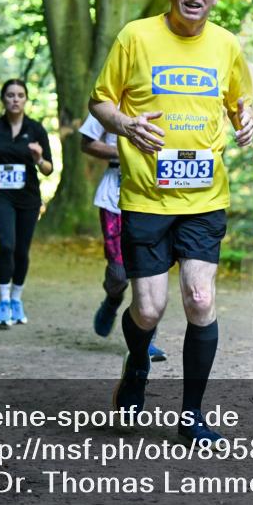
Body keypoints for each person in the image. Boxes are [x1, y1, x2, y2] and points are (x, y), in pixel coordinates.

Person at [89, 0, 253, 444]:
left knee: (200, 299)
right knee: (148, 310)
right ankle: (137, 363)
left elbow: (240, 103)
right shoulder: (135, 37)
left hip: (205, 198)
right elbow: (99, 100)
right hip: (144, 197)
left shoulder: (227, 45)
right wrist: (124, 124)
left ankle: (192, 415)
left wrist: (247, 122)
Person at [79, 113, 166, 360]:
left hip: (152, 195)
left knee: (148, 269)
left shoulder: (162, 100)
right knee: (119, 273)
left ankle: (146, 340)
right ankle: (112, 298)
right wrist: (123, 150)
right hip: (113, 198)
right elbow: (86, 143)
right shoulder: (108, 104)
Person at [0, 79, 53, 327]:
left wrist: (39, 158)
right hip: (0, 195)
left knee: (21, 250)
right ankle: (3, 301)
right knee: (7, 245)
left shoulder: (36, 129)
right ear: (3, 99)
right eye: (10, 95)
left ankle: (17, 299)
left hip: (28, 197)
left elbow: (48, 169)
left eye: (20, 95)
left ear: (26, 99)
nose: (15, 99)